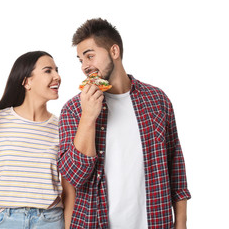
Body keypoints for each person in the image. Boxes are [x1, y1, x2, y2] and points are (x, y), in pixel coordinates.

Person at [58, 18, 191, 229]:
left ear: (114, 51)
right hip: (95, 222)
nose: (84, 66)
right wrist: (88, 117)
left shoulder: (157, 100)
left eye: (90, 56)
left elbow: (176, 165)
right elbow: (75, 176)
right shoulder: (73, 109)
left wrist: (181, 223)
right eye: (80, 60)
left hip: (155, 222)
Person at [0, 51, 65, 229]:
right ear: (26, 81)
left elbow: (68, 185)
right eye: (48, 71)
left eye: (56, 70)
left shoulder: (61, 126)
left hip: (49, 220)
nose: (57, 76)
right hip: (3, 220)